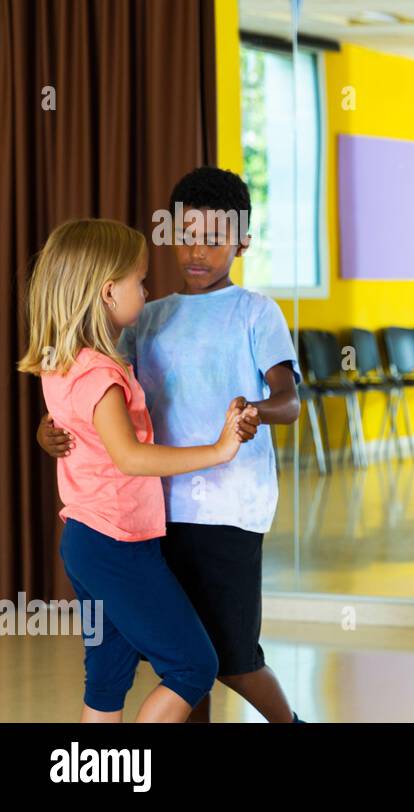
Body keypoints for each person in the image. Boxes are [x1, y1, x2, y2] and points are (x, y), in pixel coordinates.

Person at [38, 168, 304, 723]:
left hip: (230, 509)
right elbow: (96, 396)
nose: (197, 250)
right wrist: (49, 428)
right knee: (185, 656)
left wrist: (254, 411)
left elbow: (291, 399)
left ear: (243, 241)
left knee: (231, 655)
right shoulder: (146, 317)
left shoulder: (256, 312)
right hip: (159, 512)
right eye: (187, 234)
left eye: (214, 237)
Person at [18, 218, 255, 722]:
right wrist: (218, 450)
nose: (146, 292)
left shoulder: (64, 363)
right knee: (193, 665)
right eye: (139, 282)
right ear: (108, 292)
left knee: (107, 677)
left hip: (86, 541)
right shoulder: (102, 374)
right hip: (117, 547)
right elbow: (130, 457)